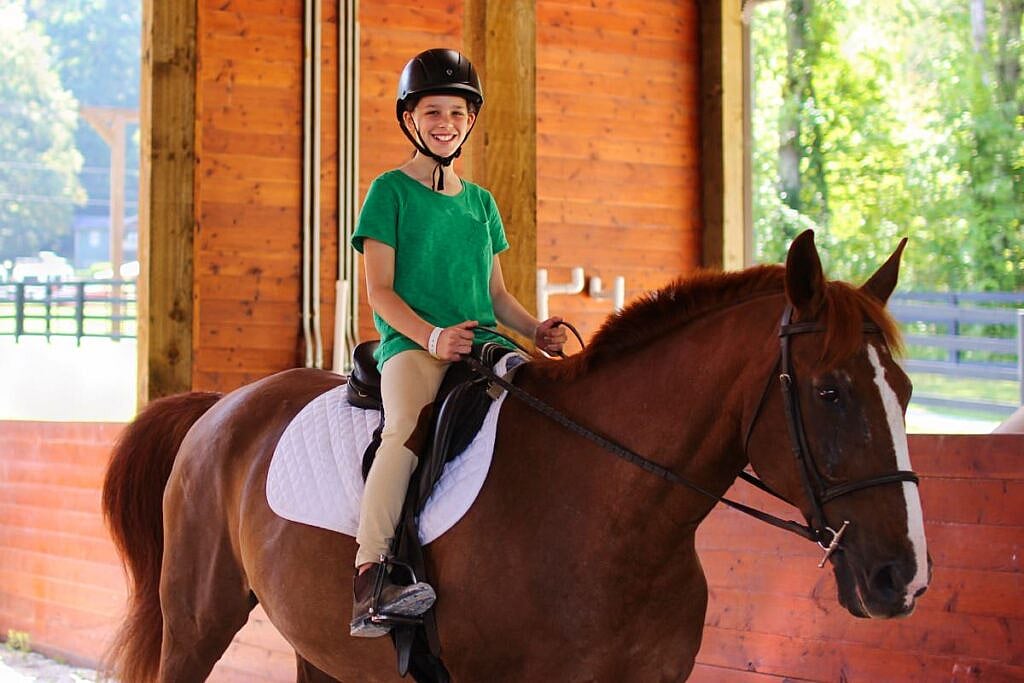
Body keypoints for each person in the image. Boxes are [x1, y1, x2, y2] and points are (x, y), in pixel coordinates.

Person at [349, 48, 567, 638]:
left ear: (470, 120)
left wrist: (534, 330)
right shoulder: (389, 192)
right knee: (404, 430)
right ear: (410, 119)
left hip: (484, 342)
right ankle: (371, 575)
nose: (445, 123)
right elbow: (379, 292)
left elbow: (496, 294)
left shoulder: (481, 203)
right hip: (414, 346)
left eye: (456, 113)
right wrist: (431, 336)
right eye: (432, 112)